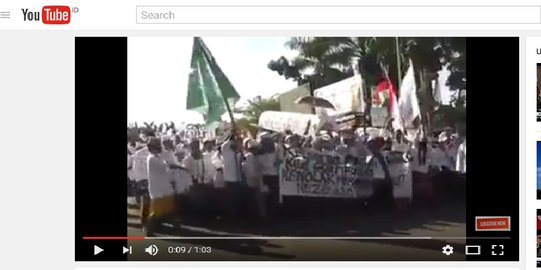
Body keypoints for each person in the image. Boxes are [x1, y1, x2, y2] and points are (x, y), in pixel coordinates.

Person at [144, 137, 176, 236]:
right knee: (155, 212)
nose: (159, 147)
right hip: (157, 189)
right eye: (157, 145)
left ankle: (161, 226)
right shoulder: (152, 158)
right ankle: (149, 231)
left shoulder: (158, 156)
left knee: (167, 208)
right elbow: (166, 166)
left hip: (164, 187)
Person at [243, 139, 267, 219]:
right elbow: (250, 170)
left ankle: (260, 214)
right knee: (255, 199)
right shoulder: (249, 157)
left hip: (256, 180)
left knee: (258, 199)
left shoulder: (256, 157)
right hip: (252, 180)